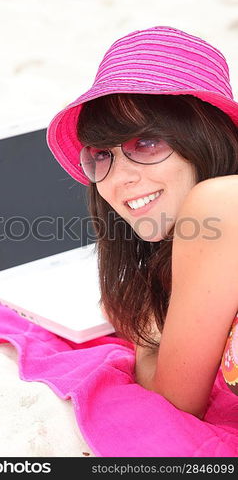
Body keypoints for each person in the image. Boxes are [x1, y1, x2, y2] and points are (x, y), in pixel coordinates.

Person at [46, 26, 238, 419]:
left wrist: (148, 340)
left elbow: (176, 404)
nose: (119, 179)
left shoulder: (218, 204)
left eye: (146, 144)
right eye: (102, 155)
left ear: (205, 138)